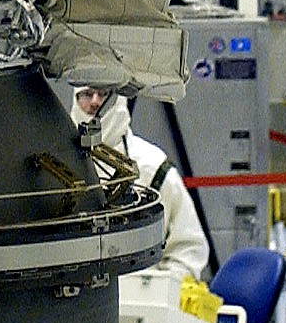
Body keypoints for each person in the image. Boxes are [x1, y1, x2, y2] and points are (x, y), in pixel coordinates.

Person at [73, 84, 211, 281]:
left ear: (120, 98)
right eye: (86, 94)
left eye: (104, 94)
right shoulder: (55, 166)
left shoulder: (153, 167)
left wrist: (158, 289)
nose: (95, 102)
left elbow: (189, 249)